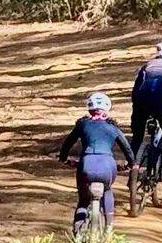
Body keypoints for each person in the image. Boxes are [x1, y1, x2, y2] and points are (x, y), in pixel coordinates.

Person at [58, 92, 137, 235]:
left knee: (83, 200)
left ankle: (77, 233)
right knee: (107, 190)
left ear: (89, 109)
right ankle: (109, 228)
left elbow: (67, 143)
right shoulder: (113, 128)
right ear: (107, 109)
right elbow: (127, 149)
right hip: (107, 166)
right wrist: (132, 164)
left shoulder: (82, 125)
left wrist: (64, 158)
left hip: (86, 164)